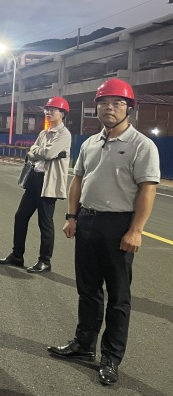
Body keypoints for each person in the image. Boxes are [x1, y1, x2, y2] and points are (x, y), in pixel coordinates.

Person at [48, 79, 159, 386]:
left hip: (119, 226)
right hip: (87, 221)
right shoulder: (89, 143)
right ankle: (84, 344)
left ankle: (111, 357)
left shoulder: (142, 145)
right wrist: (72, 216)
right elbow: (78, 180)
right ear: (96, 107)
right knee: (87, 290)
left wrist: (136, 230)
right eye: (104, 103)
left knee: (119, 297)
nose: (110, 108)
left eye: (117, 103)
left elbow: (148, 189)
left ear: (129, 108)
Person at [0, 97, 72, 273]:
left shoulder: (64, 134)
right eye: (47, 109)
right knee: (20, 216)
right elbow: (33, 153)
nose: (48, 112)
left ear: (62, 113)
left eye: (53, 109)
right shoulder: (44, 133)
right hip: (34, 180)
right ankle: (17, 255)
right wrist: (39, 152)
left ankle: (45, 261)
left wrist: (38, 151)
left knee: (45, 223)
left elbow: (48, 153)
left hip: (48, 182)